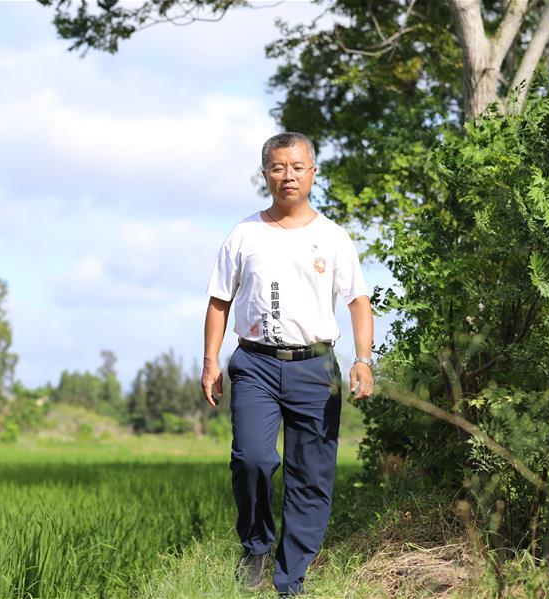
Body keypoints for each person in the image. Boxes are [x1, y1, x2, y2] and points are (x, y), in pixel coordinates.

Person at [201, 132, 374, 596]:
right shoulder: (244, 233)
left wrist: (363, 359)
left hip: (315, 368)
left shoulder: (332, 237)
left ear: (313, 173)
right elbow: (219, 301)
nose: (288, 176)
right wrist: (210, 361)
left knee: (311, 475)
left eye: (297, 167)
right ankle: (256, 546)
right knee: (253, 459)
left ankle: (290, 576)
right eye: (278, 168)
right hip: (255, 364)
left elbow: (358, 300)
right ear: (265, 176)